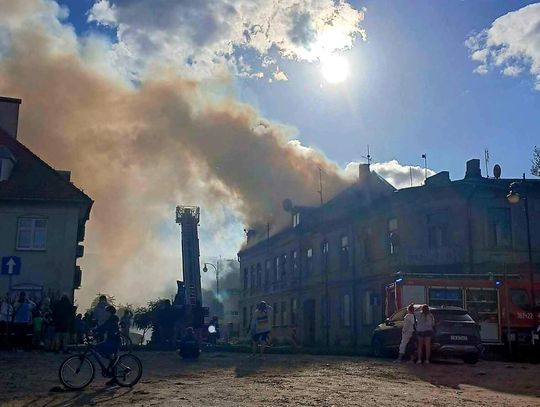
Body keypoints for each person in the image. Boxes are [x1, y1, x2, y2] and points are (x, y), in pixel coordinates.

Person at [93, 305, 121, 385]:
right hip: (110, 341)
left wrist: (95, 333)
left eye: (106, 312)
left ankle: (114, 377)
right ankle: (113, 374)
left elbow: (104, 328)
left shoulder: (112, 320)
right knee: (97, 348)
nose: (105, 314)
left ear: (110, 313)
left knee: (98, 349)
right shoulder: (110, 319)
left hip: (114, 342)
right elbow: (103, 327)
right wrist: (95, 332)